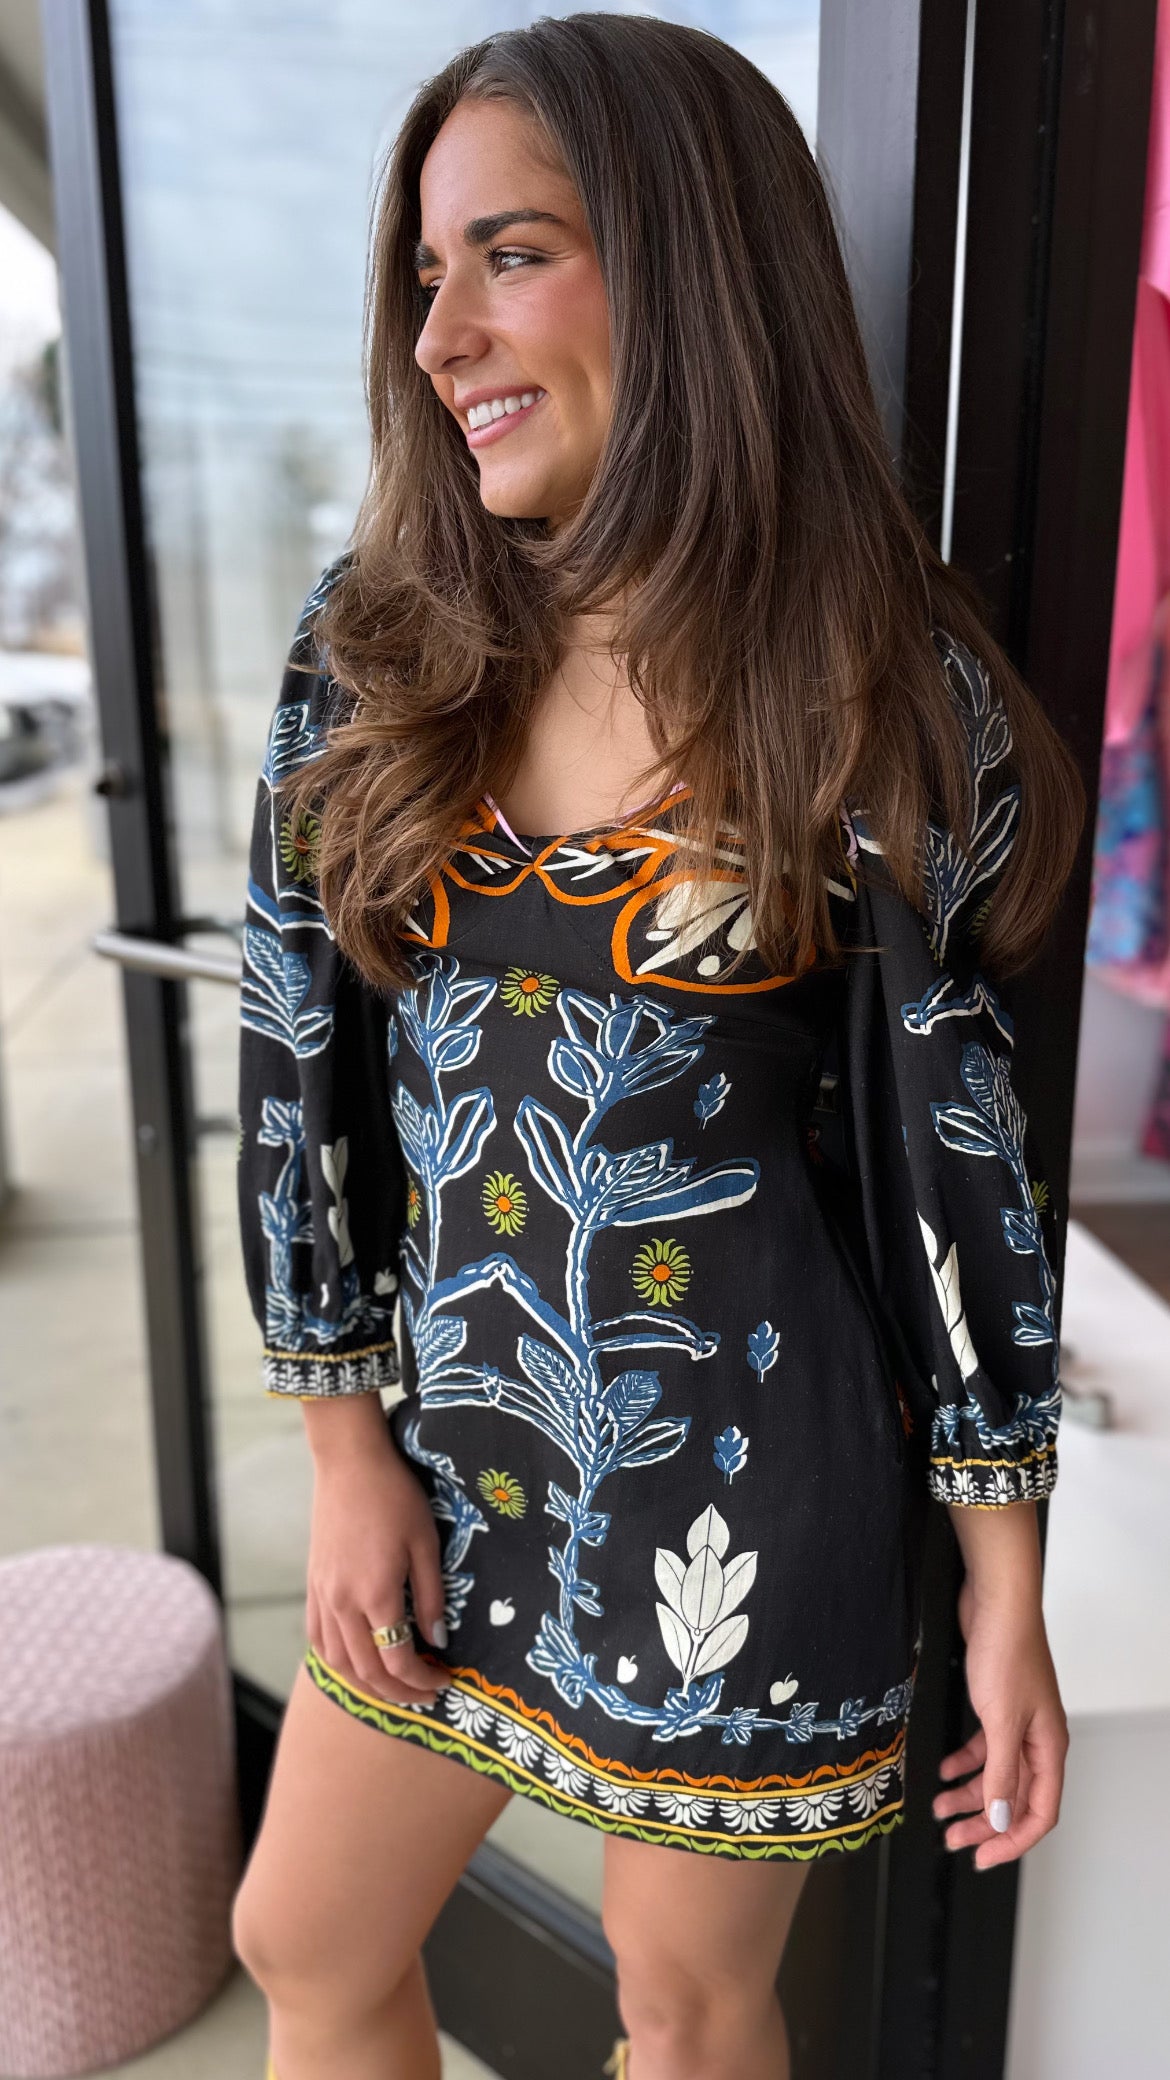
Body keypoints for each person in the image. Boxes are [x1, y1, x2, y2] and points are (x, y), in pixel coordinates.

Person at [229, 15, 1084, 2079]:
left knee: (684, 2012)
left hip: (742, 1503)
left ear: (693, 269)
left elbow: (957, 1161)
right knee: (305, 1935)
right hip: (445, 1458)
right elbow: (294, 1067)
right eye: (426, 275)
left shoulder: (873, 692)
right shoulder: (375, 650)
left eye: (509, 254)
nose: (441, 338)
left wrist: (1005, 1575)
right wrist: (345, 1449)